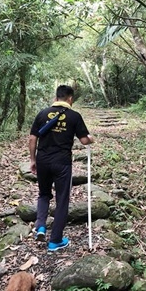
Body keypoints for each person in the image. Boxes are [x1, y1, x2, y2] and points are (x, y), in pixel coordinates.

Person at [28, 85, 94, 252]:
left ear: (56, 97)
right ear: (70, 99)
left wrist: (32, 160)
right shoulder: (74, 116)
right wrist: (91, 139)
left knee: (43, 194)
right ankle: (55, 240)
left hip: (43, 159)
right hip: (62, 162)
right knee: (62, 200)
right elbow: (85, 141)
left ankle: (41, 226)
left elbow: (32, 139)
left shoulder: (42, 114)